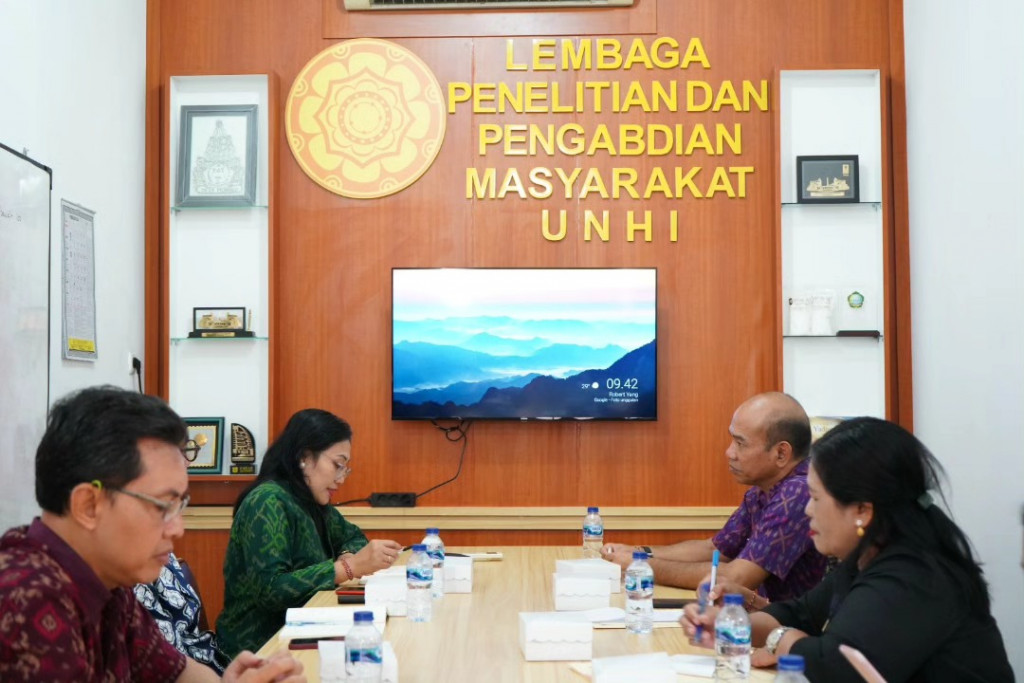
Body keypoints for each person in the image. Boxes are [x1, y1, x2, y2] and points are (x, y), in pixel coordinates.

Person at [0, 385, 305, 682]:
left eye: (179, 505)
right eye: (163, 506)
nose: (178, 528)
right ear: (88, 505)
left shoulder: (109, 583)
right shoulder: (26, 599)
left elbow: (180, 672)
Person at [683, 417, 1014, 682]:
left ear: (862, 510)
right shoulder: (867, 558)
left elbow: (835, 668)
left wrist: (779, 640)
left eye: (815, 498)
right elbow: (799, 613)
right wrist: (733, 625)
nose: (808, 511)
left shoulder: (914, 576)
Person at [602, 392, 827, 603]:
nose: (729, 452)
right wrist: (639, 552)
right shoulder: (761, 492)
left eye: (741, 443)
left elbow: (736, 578)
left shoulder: (798, 493)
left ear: (781, 453)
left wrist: (641, 565)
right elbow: (715, 550)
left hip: (802, 635)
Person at [217, 409, 403, 656]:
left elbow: (353, 537)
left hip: (304, 631)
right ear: (304, 456)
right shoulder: (267, 501)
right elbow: (271, 589)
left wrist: (348, 555)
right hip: (258, 648)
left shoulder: (309, 499)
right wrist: (348, 568)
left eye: (345, 469)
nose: (341, 478)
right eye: (337, 465)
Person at [134, 552, 231, 674]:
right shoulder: (129, 587)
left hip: (203, 660)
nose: (178, 532)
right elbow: (169, 665)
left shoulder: (164, 557)